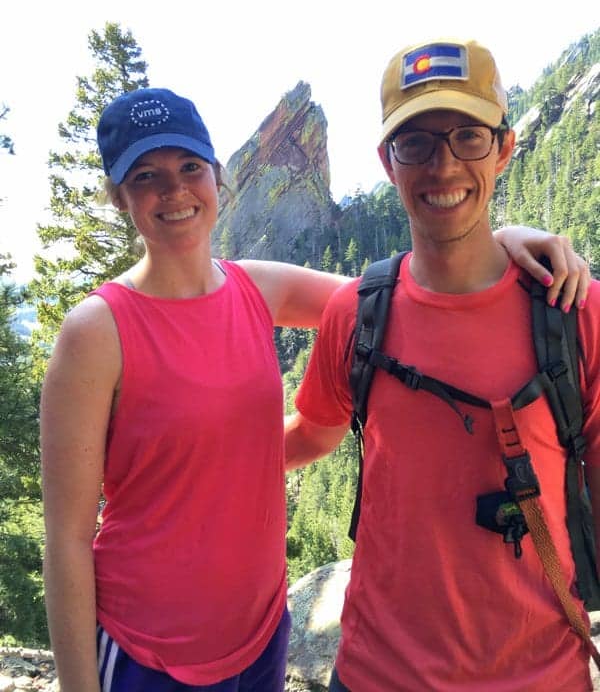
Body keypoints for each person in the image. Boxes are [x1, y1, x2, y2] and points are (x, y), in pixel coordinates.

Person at [40, 86, 588, 692]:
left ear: (218, 176)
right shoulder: (96, 331)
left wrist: (503, 237)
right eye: (145, 176)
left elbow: (415, 293)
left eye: (189, 166)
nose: (174, 190)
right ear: (119, 196)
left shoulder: (257, 289)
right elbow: (66, 537)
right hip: (150, 646)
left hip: (260, 637)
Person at [285, 39, 600, 692]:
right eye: (417, 144)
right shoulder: (356, 314)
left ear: (504, 148)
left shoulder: (575, 310)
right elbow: (310, 433)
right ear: (387, 162)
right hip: (376, 676)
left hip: (540, 676)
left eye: (467, 137)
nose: (444, 165)